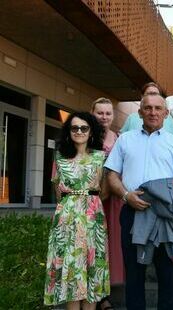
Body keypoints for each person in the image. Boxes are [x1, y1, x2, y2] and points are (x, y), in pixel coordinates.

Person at [105, 94, 173, 310]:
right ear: (140, 112)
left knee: (167, 274)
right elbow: (111, 174)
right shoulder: (125, 139)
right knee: (134, 274)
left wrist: (154, 192)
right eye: (148, 108)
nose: (153, 112)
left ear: (166, 114)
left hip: (165, 215)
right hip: (132, 211)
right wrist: (127, 195)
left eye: (158, 108)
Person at [44, 112, 109, 309]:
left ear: (91, 132)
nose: (79, 131)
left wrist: (88, 203)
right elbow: (58, 192)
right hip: (67, 218)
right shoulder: (60, 158)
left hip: (93, 218)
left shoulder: (100, 157)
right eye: (74, 128)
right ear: (69, 131)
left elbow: (104, 191)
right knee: (71, 268)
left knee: (92, 267)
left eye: (84, 128)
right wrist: (72, 207)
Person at [90, 98, 123, 310]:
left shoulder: (118, 138)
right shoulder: (85, 136)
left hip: (113, 199)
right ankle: (94, 295)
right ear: (92, 113)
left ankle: (104, 293)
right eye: (100, 113)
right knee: (92, 246)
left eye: (108, 113)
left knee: (109, 247)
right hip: (92, 199)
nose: (104, 117)